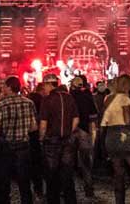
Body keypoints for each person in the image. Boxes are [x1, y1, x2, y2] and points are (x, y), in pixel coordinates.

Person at [0, 76, 38, 204]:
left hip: (6, 147)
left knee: (3, 183)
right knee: (24, 183)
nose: (3, 88)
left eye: (4, 86)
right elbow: (33, 127)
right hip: (23, 147)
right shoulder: (29, 103)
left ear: (9, 88)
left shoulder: (1, 105)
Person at [101, 74, 130, 204]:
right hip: (125, 135)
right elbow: (127, 120)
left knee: (118, 174)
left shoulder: (107, 98)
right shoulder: (125, 98)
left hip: (110, 136)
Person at [39, 73, 79, 204]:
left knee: (52, 176)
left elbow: (43, 124)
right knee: (67, 175)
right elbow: (76, 119)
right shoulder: (69, 98)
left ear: (50, 85)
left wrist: (41, 138)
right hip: (67, 141)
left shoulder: (47, 100)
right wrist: (69, 132)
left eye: (44, 85)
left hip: (52, 141)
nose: (43, 88)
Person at [69, 76, 98, 198]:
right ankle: (89, 189)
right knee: (86, 162)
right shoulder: (88, 97)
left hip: (70, 131)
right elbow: (94, 115)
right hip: (84, 131)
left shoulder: (68, 97)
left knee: (68, 162)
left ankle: (68, 191)